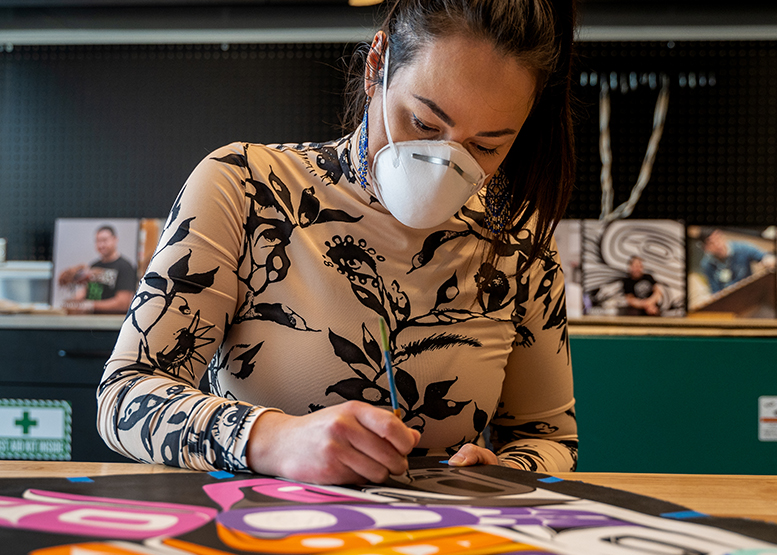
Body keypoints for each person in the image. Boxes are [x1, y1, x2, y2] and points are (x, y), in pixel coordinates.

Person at [97, 0, 579, 485]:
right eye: (424, 125)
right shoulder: (245, 187)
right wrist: (272, 439)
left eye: (486, 147)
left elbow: (549, 439)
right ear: (377, 65)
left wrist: (508, 471)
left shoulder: (519, 241)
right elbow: (125, 396)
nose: (444, 165)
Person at [59, 225, 137, 314]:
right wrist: (73, 301)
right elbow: (85, 292)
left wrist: (91, 305)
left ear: (115, 239)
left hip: (112, 323)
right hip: (91, 321)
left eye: (104, 240)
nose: (101, 245)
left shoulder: (125, 267)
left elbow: (123, 303)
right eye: (98, 241)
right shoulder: (94, 266)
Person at [698, 228, 773, 294]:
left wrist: (768, 260)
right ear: (706, 247)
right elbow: (715, 291)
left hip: (749, 293)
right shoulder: (707, 264)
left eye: (718, 238)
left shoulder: (742, 248)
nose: (718, 245)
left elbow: (765, 257)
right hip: (727, 299)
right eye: (712, 243)